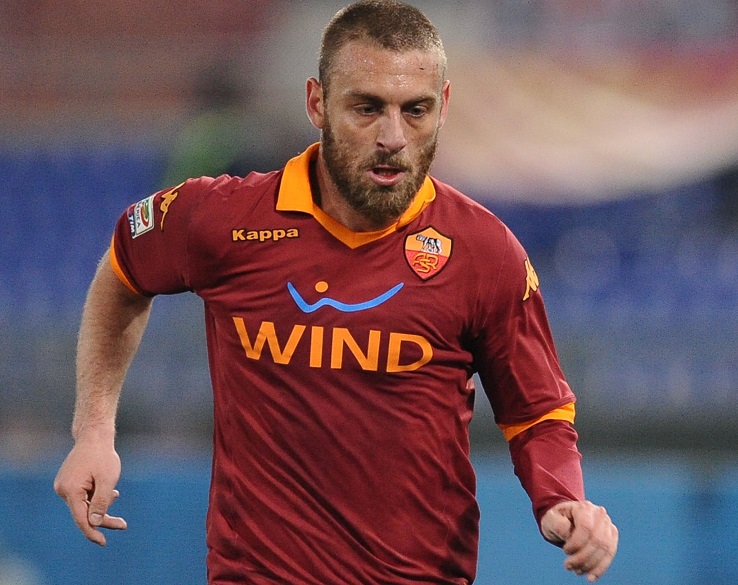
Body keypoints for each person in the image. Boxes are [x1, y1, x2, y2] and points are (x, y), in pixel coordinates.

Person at [54, 1, 618, 583]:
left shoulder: (484, 252)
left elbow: (537, 411)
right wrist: (94, 432)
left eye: (416, 110)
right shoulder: (221, 220)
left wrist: (561, 497)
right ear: (317, 103)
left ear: (444, 106)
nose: (392, 137)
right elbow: (123, 274)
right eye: (367, 108)